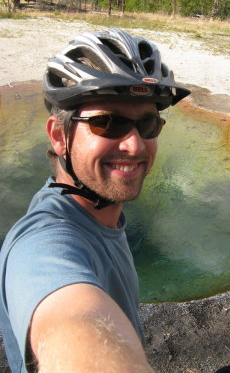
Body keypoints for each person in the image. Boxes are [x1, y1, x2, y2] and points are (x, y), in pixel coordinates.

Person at [0, 28, 190, 373]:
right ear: (60, 136)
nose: (135, 145)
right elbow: (72, 321)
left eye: (148, 125)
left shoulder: (104, 218)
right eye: (107, 124)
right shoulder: (42, 242)